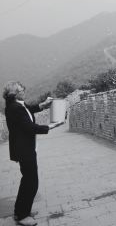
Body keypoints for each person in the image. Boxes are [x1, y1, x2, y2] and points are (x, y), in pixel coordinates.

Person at [3, 81, 63, 226]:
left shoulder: (19, 105)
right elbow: (29, 127)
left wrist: (44, 104)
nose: (24, 91)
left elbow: (31, 109)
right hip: (24, 150)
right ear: (15, 93)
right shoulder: (15, 108)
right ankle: (23, 216)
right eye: (22, 90)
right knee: (31, 182)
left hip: (26, 148)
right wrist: (51, 126)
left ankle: (20, 211)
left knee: (27, 180)